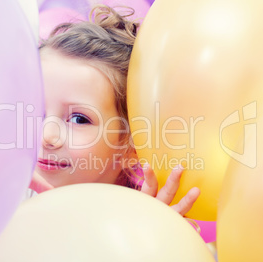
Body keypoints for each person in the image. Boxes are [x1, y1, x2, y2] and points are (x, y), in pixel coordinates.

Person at [30, 4, 200, 216]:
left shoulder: (142, 227)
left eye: (79, 119)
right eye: (37, 111)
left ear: (131, 146)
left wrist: (155, 234)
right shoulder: (0, 207)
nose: (47, 136)